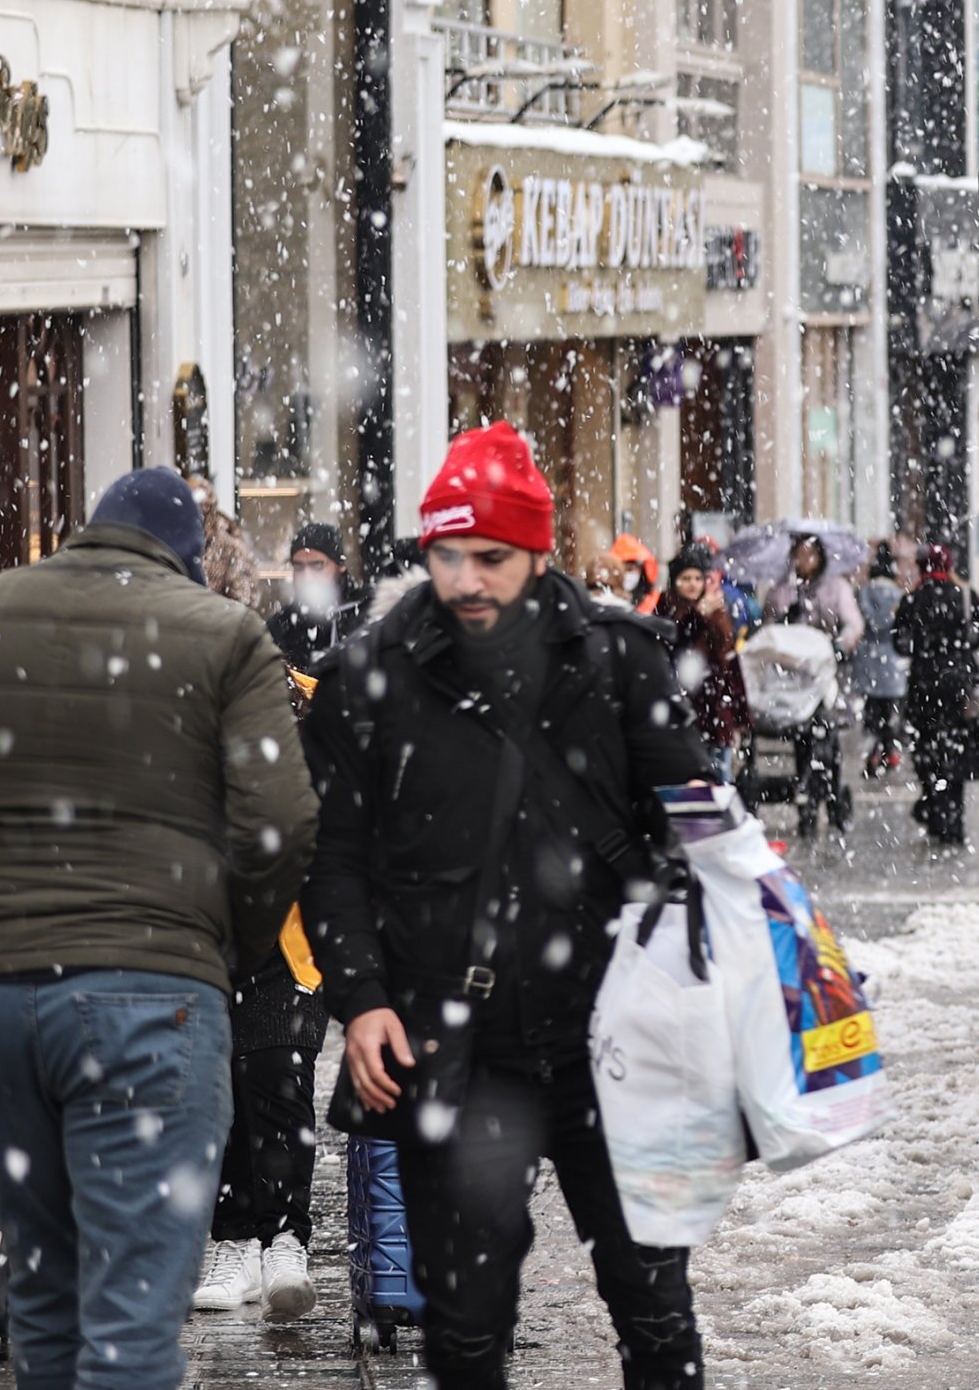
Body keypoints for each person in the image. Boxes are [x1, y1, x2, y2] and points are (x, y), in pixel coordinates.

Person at [302, 423, 709, 1390]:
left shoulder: (620, 663)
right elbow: (334, 862)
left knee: (654, 1311)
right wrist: (359, 998)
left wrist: (702, 922)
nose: (468, 580)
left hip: (616, 1040)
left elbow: (702, 835)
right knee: (466, 1328)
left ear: (537, 550)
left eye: (490, 557)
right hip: (456, 1045)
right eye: (446, 556)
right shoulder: (373, 679)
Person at [0, 467, 316, 1383]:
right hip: (153, 992)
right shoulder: (223, 636)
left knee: (44, 1298)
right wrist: (229, 947)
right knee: (134, 1318)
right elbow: (282, 820)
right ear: (182, 558)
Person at [194, 518, 330, 1324]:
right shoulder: (192, 708)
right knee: (226, 1089)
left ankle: (287, 1235)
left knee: (278, 1077)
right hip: (216, 928)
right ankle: (235, 1234)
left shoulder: (307, 703)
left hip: (292, 932)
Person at [895, 544, 979, 846]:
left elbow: (899, 643)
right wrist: (961, 647)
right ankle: (954, 818)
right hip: (959, 687)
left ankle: (935, 810)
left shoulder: (912, 599)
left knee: (928, 752)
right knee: (957, 754)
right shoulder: (965, 595)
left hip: (923, 687)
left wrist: (925, 648)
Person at [763, 534, 863, 811]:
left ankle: (828, 785)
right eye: (800, 554)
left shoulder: (836, 588)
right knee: (801, 731)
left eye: (810, 554)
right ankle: (805, 785)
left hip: (826, 670)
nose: (805, 561)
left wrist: (840, 644)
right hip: (795, 673)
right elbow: (768, 622)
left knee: (826, 729)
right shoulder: (783, 588)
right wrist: (785, 619)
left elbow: (853, 624)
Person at [662, 544, 751, 780]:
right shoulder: (666, 610)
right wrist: (698, 615)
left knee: (718, 781)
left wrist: (740, 715)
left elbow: (730, 665)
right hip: (681, 715)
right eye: (685, 578)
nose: (692, 584)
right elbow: (676, 643)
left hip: (715, 715)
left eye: (698, 578)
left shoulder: (717, 615)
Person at [267, 522, 359, 674]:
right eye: (299, 567)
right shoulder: (281, 626)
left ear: (340, 565)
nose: (307, 577)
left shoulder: (364, 612)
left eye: (317, 565)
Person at [851, 544, 910, 777]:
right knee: (889, 710)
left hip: (869, 657)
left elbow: (864, 619)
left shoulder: (864, 592)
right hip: (893, 658)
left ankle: (875, 751)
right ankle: (889, 750)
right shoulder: (897, 594)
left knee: (872, 708)